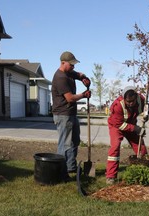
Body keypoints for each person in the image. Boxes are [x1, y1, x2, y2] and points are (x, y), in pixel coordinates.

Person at [51, 51, 91, 180]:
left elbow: (78, 74)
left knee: (75, 141)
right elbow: (70, 98)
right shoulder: (60, 77)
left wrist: (84, 78)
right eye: (71, 64)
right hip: (63, 115)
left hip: (71, 114)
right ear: (63, 63)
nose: (73, 67)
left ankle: (71, 167)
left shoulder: (69, 73)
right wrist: (84, 95)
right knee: (65, 144)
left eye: (74, 64)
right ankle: (61, 171)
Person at [105, 86, 149, 184]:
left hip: (131, 124)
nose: (130, 104)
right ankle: (111, 176)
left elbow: (146, 108)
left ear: (136, 97)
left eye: (132, 101)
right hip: (116, 126)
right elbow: (119, 124)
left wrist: (147, 115)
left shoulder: (142, 99)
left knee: (141, 147)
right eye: (128, 102)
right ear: (124, 98)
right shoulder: (117, 105)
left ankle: (145, 172)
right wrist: (136, 129)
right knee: (115, 146)